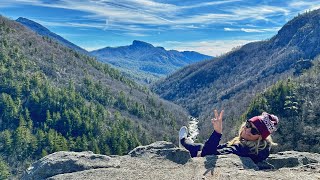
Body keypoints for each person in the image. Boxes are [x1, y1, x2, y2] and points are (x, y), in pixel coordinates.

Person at [179, 110, 279, 163]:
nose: (247, 130)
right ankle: (185, 142)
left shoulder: (242, 148)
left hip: (207, 162)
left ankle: (183, 141)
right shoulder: (259, 147)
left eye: (254, 131)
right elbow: (221, 148)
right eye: (248, 125)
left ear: (260, 137)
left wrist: (217, 133)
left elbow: (208, 155)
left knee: (199, 148)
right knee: (200, 146)